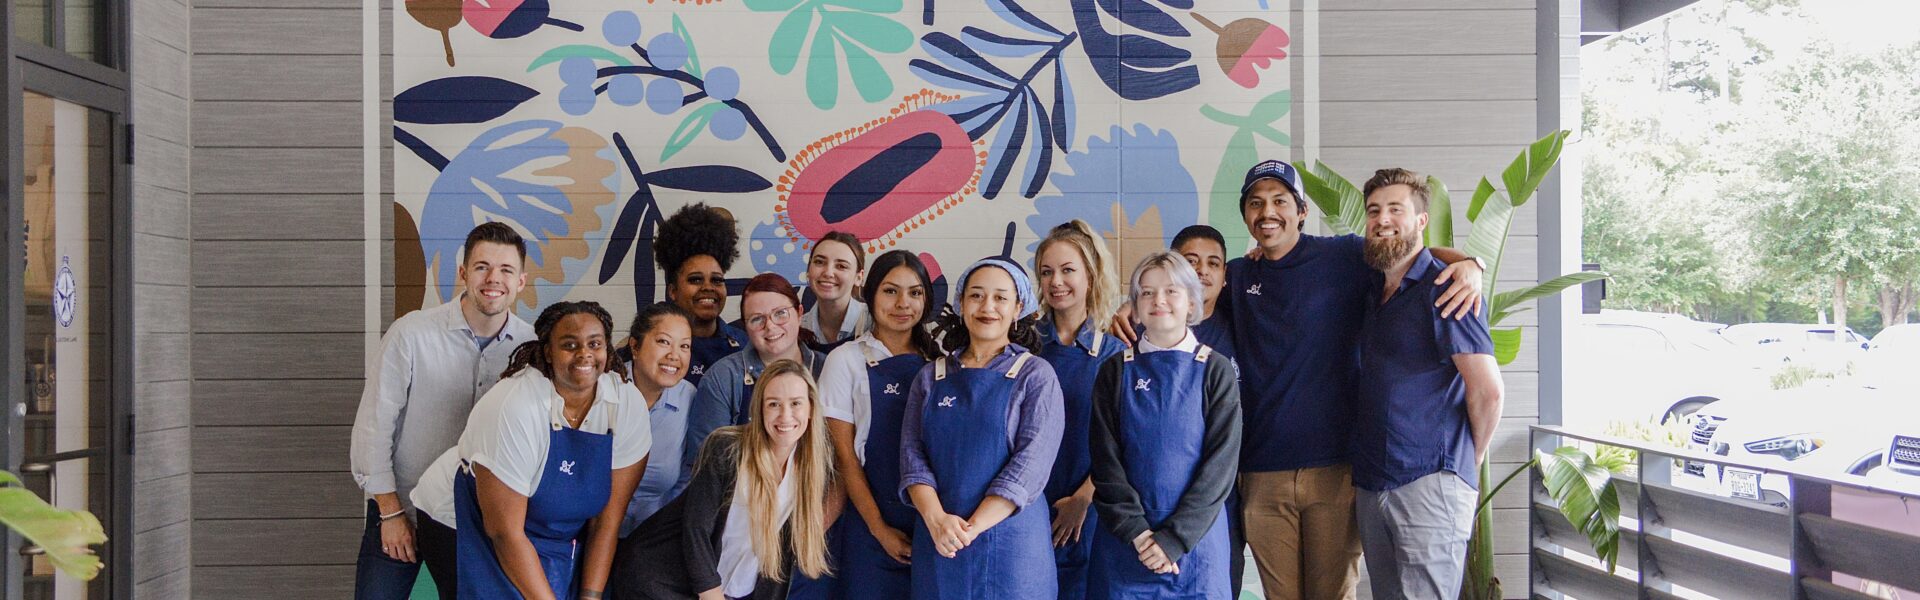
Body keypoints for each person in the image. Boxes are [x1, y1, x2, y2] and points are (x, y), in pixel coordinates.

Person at [1217, 160, 1483, 600]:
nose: (1268, 212)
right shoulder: (1240, 275)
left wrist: (1471, 263)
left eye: (1280, 201)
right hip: (1262, 471)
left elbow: (1406, 250)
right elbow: (1182, 293)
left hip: (1337, 469)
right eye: (1256, 203)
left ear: (1301, 211)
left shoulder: (1342, 257)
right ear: (1245, 213)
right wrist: (1131, 307)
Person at [349, 222, 534, 600]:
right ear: (463, 273)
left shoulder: (532, 347)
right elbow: (373, 427)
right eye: (482, 267)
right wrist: (390, 512)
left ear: (521, 282)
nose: (493, 279)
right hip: (403, 511)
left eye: (506, 270)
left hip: (479, 522)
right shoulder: (411, 334)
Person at [422, 301, 651, 600]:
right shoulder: (514, 406)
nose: (584, 354)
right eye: (569, 345)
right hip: (469, 521)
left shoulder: (625, 402)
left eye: (594, 344)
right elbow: (505, 533)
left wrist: (590, 597)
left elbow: (606, 521)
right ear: (548, 352)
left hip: (550, 530)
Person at [1350, 169, 1503, 598]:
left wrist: (1466, 464)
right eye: (1374, 211)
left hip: (1430, 483)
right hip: (1374, 482)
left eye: (1395, 209)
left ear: (1421, 220)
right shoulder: (1375, 289)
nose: (1382, 220)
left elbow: (1488, 391)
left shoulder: (1448, 288)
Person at [900, 257, 1065, 600]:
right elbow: (912, 457)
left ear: (1018, 308)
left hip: (1012, 551)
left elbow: (1030, 467)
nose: (987, 307)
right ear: (961, 304)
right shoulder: (931, 377)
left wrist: (968, 530)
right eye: (976, 295)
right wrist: (937, 521)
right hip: (940, 543)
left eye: (1000, 298)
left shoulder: (1036, 375)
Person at [608, 359, 838, 600]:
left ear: (811, 408)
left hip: (724, 588)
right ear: (759, 409)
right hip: (661, 581)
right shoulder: (727, 448)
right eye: (773, 404)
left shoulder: (812, 466)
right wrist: (711, 593)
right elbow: (696, 529)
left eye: (796, 403)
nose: (785, 415)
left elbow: (777, 560)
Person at [1088, 251, 1241, 599]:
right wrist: (1138, 534)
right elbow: (1105, 462)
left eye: (1171, 291)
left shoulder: (1215, 369)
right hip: (1125, 543)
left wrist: (1174, 539)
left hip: (1195, 545)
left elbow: (1221, 466)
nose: (1159, 300)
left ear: (1191, 302)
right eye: (1147, 292)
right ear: (1135, 306)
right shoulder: (1115, 371)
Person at [817, 250, 942, 600]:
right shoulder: (845, 360)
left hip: (932, 524)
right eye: (890, 291)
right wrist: (879, 529)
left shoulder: (942, 363)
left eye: (915, 293)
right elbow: (844, 457)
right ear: (869, 295)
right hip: (868, 524)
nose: (903, 303)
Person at [1031, 220, 1126, 600]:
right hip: (1029, 508)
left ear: (1091, 275)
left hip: (1092, 510)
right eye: (1047, 272)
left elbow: (1125, 441)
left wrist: (1084, 497)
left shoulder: (1116, 353)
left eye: (1068, 270)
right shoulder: (1023, 345)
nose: (1056, 282)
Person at [682, 274, 829, 491]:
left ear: (799, 313)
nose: (770, 326)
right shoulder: (723, 377)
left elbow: (841, 460)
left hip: (817, 498)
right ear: (745, 327)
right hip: (739, 501)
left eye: (780, 314)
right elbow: (705, 467)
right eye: (757, 319)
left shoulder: (828, 370)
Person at [1167, 224, 1248, 595]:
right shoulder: (1143, 332)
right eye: (1191, 261)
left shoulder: (1242, 325)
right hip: (1162, 491)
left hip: (1223, 490)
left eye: (1213, 263)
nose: (1202, 271)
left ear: (1225, 276)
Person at [616, 303, 700, 537]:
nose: (674, 355)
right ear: (635, 346)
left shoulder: (690, 398)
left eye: (684, 346)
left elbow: (687, 477)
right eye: (664, 342)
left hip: (656, 534)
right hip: (591, 528)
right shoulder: (605, 390)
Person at [656, 202, 749, 388]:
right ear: (673, 291)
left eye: (717, 280)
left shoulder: (745, 345)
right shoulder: (654, 345)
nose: (708, 287)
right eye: (696, 280)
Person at [802, 231, 870, 354]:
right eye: (819, 262)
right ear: (808, 271)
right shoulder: (797, 329)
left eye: (841, 266)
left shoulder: (876, 324)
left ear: (859, 278)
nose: (828, 273)